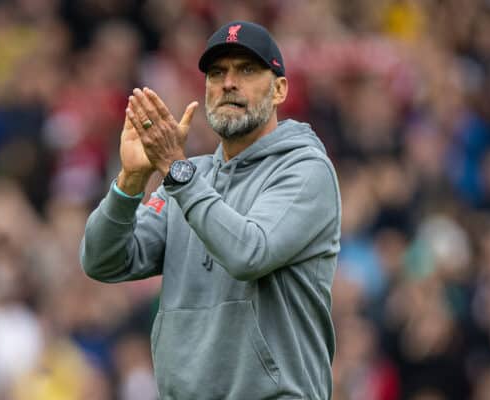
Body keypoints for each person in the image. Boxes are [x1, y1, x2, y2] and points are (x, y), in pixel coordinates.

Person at [80, 20, 341, 399]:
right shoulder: (191, 177)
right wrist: (131, 181)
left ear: (280, 88)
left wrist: (175, 171)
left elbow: (249, 253)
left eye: (247, 70)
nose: (228, 83)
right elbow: (102, 261)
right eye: (217, 73)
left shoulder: (305, 169)